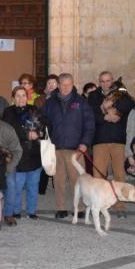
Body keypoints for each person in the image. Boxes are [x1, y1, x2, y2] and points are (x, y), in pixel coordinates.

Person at [41, 73, 94, 219]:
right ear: (58, 85)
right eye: (62, 85)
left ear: (72, 84)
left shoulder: (81, 101)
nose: (65, 88)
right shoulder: (50, 102)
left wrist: (85, 143)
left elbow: (89, 124)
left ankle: (81, 208)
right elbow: (43, 121)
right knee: (58, 181)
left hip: (76, 148)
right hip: (56, 148)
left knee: (77, 180)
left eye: (68, 85)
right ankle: (61, 208)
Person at [87, 71, 133, 218]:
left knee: (119, 174)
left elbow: (128, 104)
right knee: (98, 176)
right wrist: (105, 116)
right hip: (100, 139)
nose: (105, 83)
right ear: (99, 82)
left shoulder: (121, 92)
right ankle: (99, 205)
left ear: (112, 81)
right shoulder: (94, 95)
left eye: (108, 81)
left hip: (118, 139)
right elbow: (91, 113)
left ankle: (120, 206)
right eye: (102, 81)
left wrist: (112, 105)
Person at [1, 86, 45, 220]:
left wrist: (37, 133)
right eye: (18, 96)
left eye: (23, 95)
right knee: (17, 186)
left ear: (28, 97)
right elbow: (8, 130)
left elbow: (44, 127)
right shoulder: (8, 112)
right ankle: (16, 210)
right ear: (13, 98)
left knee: (33, 186)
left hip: (34, 155)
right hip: (17, 155)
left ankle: (31, 211)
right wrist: (27, 134)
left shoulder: (34, 110)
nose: (21, 98)